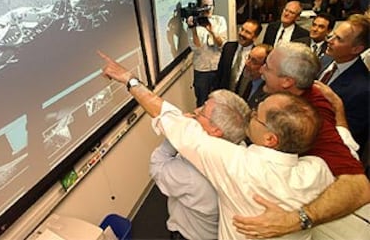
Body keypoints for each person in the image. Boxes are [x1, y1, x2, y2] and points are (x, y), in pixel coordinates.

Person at [99, 50, 336, 240]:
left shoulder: (237, 165)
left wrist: (129, 79)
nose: (250, 115)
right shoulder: (319, 169)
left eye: (256, 115)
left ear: (270, 139)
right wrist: (303, 218)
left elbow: (170, 119)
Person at [232, 42, 369, 239]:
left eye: (267, 67)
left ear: (287, 81)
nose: (261, 69)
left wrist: (299, 219)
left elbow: (359, 186)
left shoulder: (312, 117)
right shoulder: (292, 95)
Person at [149, 89, 250, 240]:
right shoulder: (240, 149)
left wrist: (174, 136)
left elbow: (156, 168)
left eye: (202, 111)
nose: (195, 111)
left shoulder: (190, 171)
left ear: (216, 130)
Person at [318, 13, 369, 155]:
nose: (329, 40)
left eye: (338, 39)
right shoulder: (325, 60)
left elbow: (348, 139)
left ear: (356, 49)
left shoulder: (363, 89)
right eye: (333, 35)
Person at [186, 0, 227, 107]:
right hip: (202, 70)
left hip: (218, 67)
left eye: (211, 5)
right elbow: (197, 49)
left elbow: (222, 45)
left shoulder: (220, 21)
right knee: (202, 102)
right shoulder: (193, 25)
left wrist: (212, 31)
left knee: (219, 102)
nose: (208, 9)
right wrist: (193, 29)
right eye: (205, 6)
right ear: (199, 7)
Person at [216, 19, 262, 93]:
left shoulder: (256, 55)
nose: (242, 34)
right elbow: (219, 75)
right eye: (242, 29)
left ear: (255, 37)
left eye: (247, 32)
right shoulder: (228, 47)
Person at [240, 44, 272, 108]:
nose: (246, 63)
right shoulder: (248, 80)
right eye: (248, 57)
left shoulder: (268, 91)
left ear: (264, 67)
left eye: (254, 61)